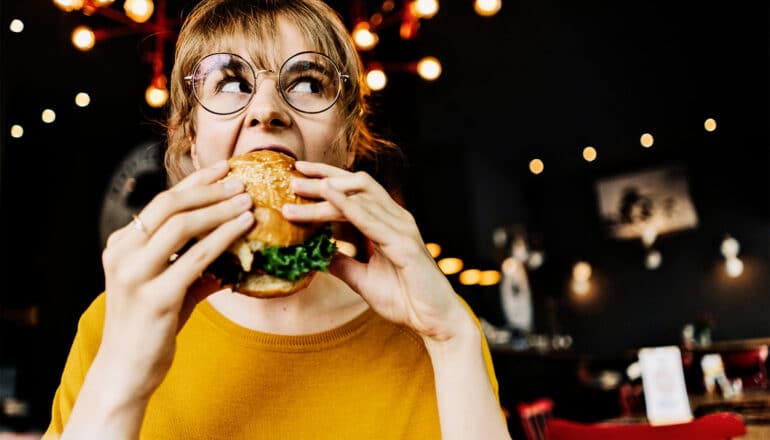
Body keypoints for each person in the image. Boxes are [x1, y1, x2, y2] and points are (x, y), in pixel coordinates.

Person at [43, 0, 510, 438]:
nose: (267, 111)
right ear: (190, 141)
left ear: (347, 142)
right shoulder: (115, 322)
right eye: (230, 82)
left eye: (307, 83)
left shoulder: (440, 330)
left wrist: (451, 339)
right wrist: (122, 374)